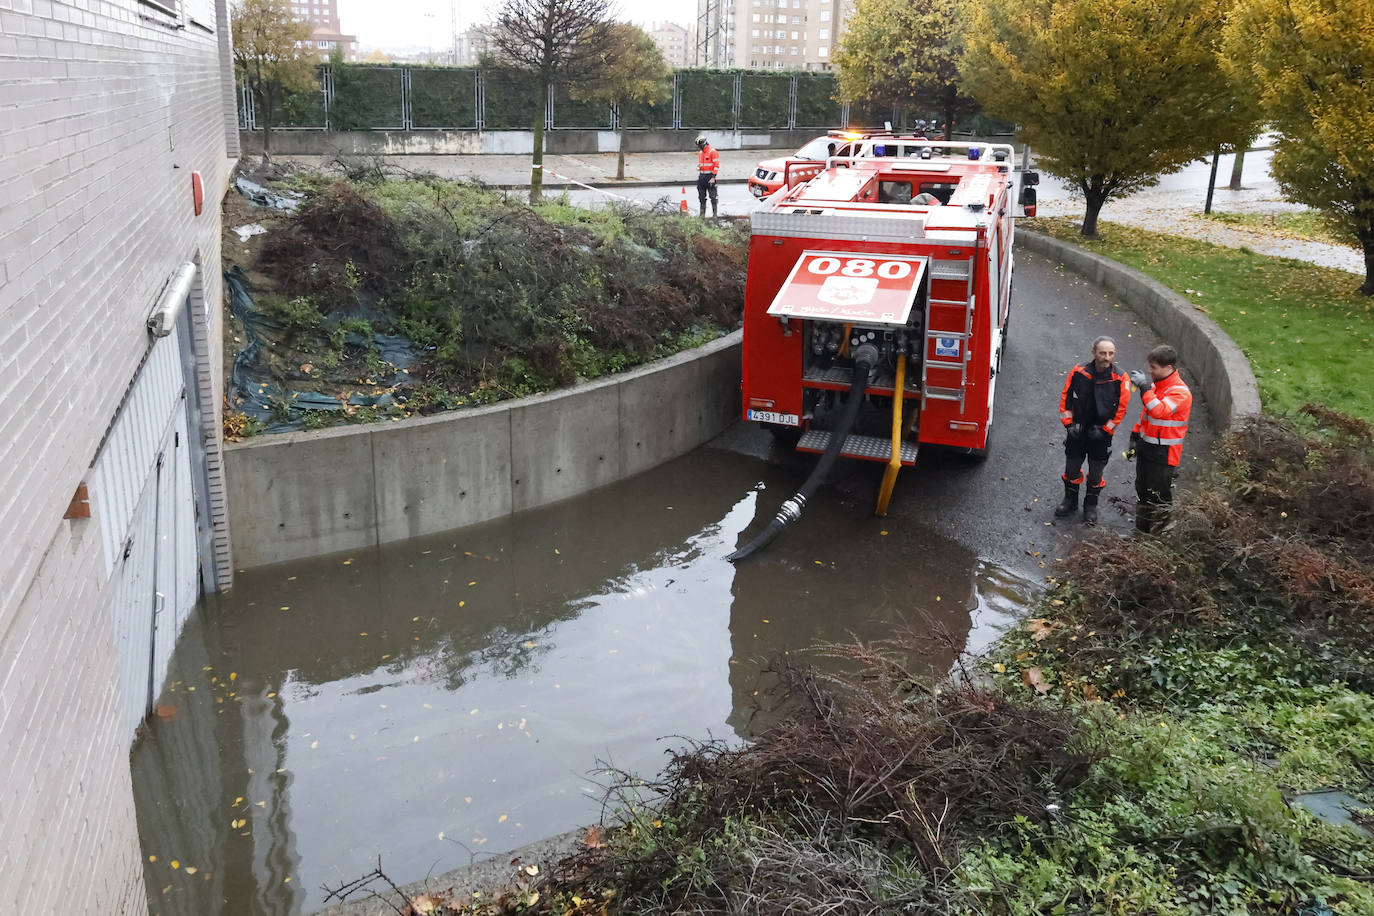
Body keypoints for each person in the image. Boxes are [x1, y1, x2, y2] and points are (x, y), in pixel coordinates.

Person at [1054, 336, 1131, 525]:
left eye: (1111, 353)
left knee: (1096, 472)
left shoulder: (1121, 378)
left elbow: (1121, 409)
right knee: (1072, 468)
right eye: (1103, 353)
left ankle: (1090, 506)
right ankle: (1070, 501)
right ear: (1094, 353)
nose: (1107, 357)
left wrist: (1105, 431)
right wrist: (1069, 425)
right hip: (1078, 430)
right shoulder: (1079, 371)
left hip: (1101, 435)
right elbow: (1066, 398)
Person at [1128, 344, 1193, 533]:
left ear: (1168, 368)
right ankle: (1142, 531)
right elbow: (1146, 415)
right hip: (1148, 447)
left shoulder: (1180, 392)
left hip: (1165, 454)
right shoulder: (1158, 386)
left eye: (1153, 367)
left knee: (1159, 495)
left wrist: (1144, 387)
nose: (1150, 371)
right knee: (1143, 489)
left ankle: (1160, 533)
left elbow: (1158, 411)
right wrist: (1135, 436)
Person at [694, 134, 719, 219]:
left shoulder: (713, 152)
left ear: (703, 144)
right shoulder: (701, 153)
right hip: (702, 177)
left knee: (713, 197)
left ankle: (714, 215)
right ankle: (702, 216)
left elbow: (716, 166)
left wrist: (713, 177)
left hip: (710, 177)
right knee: (701, 197)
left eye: (699, 145)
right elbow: (702, 164)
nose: (699, 147)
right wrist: (699, 167)